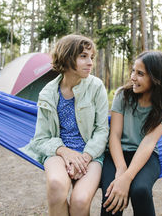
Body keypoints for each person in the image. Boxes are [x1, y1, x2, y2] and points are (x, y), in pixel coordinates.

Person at [20, 34, 109, 216]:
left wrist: (84, 157)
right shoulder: (47, 93)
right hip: (58, 151)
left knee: (80, 200)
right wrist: (65, 152)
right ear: (67, 58)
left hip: (90, 154)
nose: (90, 62)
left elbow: (102, 130)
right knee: (56, 186)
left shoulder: (96, 87)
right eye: (83, 56)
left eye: (91, 57)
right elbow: (41, 139)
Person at [100, 51, 162, 216]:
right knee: (111, 191)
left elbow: (149, 142)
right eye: (133, 71)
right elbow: (114, 135)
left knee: (140, 190)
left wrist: (127, 178)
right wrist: (121, 170)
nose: (133, 77)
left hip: (146, 156)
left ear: (157, 79)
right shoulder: (122, 95)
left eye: (140, 73)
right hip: (115, 154)